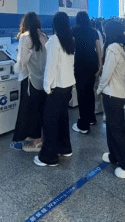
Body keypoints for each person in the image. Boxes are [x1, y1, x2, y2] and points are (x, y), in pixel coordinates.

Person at [97, 20, 125, 179]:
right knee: (112, 127)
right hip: (118, 93)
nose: (103, 32)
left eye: (105, 30)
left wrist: (99, 89)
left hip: (112, 93)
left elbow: (106, 73)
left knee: (116, 130)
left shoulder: (112, 48)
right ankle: (114, 155)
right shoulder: (120, 47)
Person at [34, 12, 76, 166]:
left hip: (56, 87)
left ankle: (49, 157)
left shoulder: (54, 40)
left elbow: (51, 66)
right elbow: (70, 64)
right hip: (67, 85)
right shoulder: (69, 39)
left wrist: (47, 86)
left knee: (49, 121)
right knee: (62, 118)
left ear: (55, 24)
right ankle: (65, 148)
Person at [12, 12, 48, 152]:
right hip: (42, 79)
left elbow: (22, 62)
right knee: (38, 109)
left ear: (24, 23)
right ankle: (38, 138)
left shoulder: (25, 37)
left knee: (29, 110)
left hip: (29, 79)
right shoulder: (43, 36)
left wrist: (15, 68)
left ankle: (36, 142)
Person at [72, 11, 102, 134]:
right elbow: (98, 48)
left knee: (81, 93)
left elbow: (71, 47)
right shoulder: (93, 31)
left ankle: (83, 125)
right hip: (92, 63)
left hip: (80, 63)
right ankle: (91, 118)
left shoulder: (74, 30)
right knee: (90, 91)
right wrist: (100, 65)